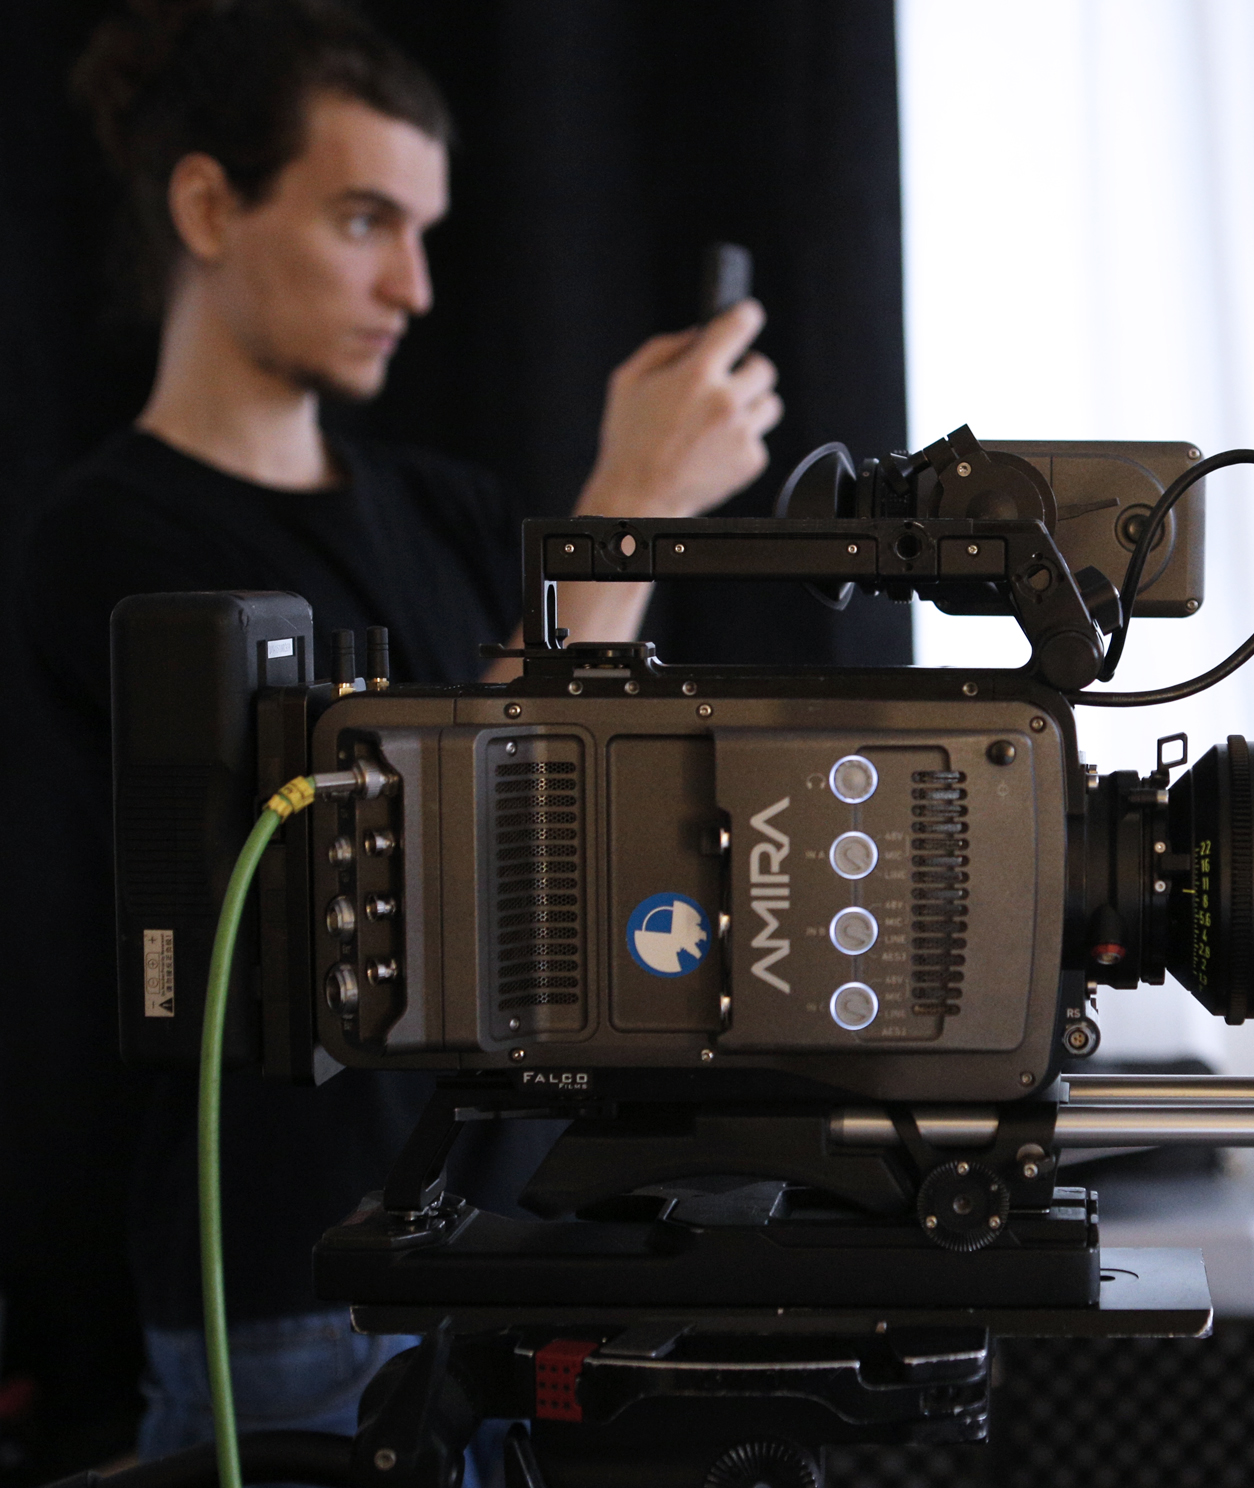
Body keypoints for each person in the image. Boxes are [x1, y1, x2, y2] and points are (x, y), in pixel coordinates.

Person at [14, 0, 780, 1457]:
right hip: (303, 1299)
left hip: (522, 1261)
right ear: (208, 206)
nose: (414, 287)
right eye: (365, 220)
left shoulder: (450, 509)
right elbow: (420, 884)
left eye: (425, 232)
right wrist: (627, 515)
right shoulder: (112, 543)